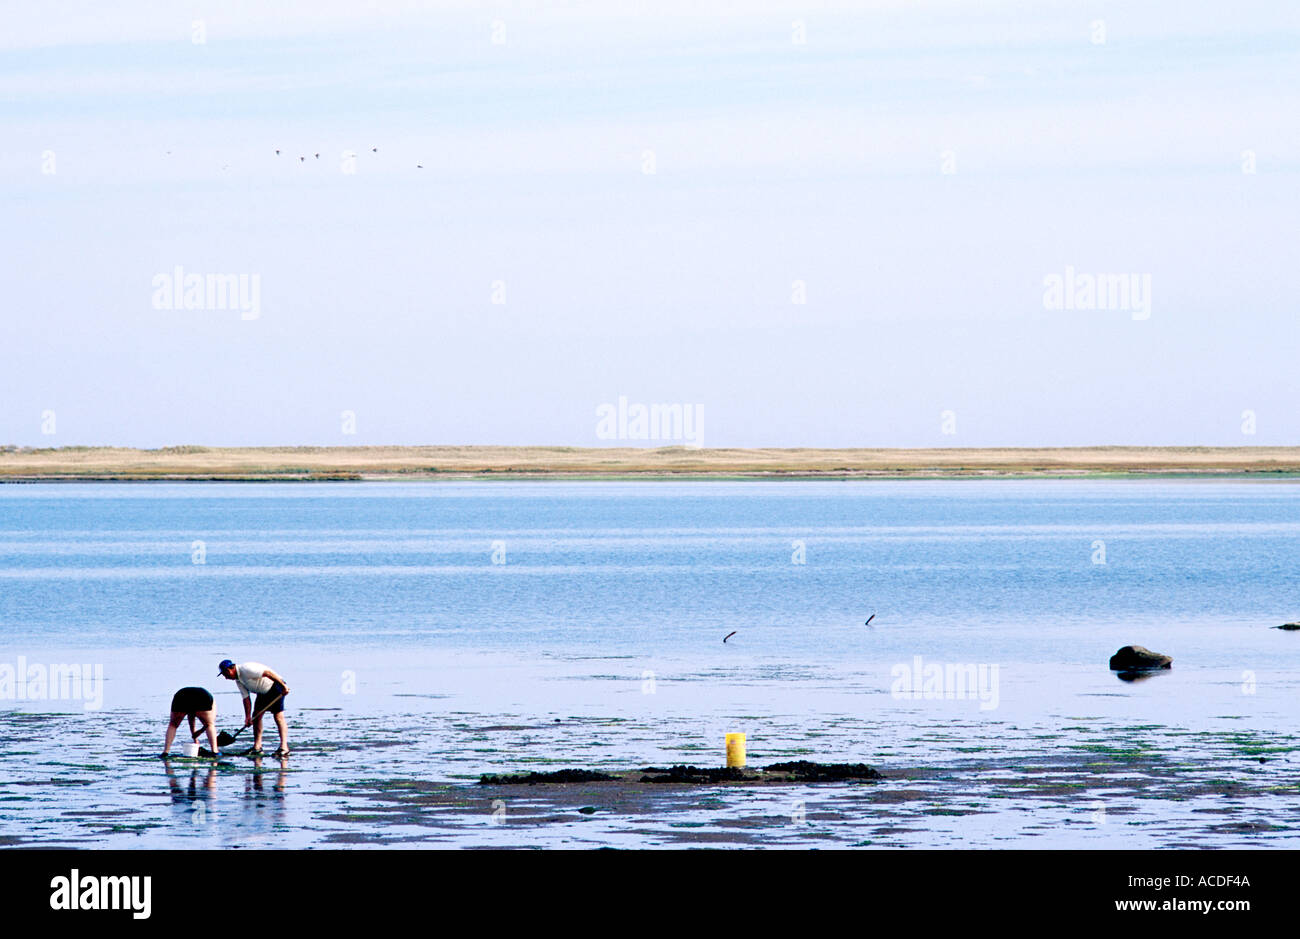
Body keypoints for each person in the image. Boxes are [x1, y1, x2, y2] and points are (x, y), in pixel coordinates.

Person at [218, 659, 291, 756]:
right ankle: (257, 747)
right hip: (262, 693)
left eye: (225, 675)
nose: (226, 678)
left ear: (229, 670)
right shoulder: (238, 680)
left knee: (278, 716)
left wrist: (283, 686)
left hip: (275, 687)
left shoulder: (246, 669)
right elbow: (246, 699)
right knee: (255, 717)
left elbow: (268, 673)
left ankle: (284, 747)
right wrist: (247, 717)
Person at [163, 686, 219, 757]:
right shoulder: (212, 702)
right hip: (203, 697)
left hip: (181, 695)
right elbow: (208, 724)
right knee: (211, 724)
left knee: (173, 725)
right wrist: (198, 733)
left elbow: (191, 713)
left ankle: (165, 752)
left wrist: (195, 736)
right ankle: (214, 751)